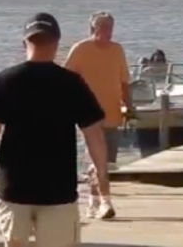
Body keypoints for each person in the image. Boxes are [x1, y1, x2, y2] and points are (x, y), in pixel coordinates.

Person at [0, 12, 110, 246]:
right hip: (58, 191)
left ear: (24, 43)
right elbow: (95, 137)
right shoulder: (72, 84)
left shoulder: (5, 81)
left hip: (14, 189)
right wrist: (101, 176)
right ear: (57, 43)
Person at [64, 11, 131, 220]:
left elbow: (124, 81)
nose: (108, 32)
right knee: (98, 159)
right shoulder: (81, 49)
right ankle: (105, 202)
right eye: (103, 27)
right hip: (87, 114)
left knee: (106, 161)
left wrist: (129, 105)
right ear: (93, 29)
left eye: (110, 27)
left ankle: (93, 199)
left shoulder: (117, 50)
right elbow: (66, 80)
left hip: (112, 112)